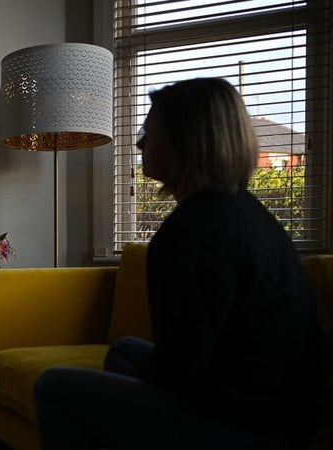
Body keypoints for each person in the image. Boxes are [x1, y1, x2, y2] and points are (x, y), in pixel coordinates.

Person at [34, 77, 325, 450]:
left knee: (53, 387)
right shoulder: (250, 213)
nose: (139, 143)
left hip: (246, 425)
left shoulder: (192, 232)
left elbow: (179, 374)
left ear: (186, 142)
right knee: (126, 350)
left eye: (150, 132)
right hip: (282, 409)